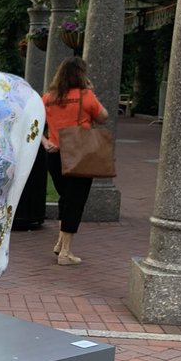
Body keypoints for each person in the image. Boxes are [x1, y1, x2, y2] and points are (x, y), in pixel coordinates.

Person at [41, 56, 109, 266]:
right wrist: (92, 91)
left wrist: (44, 142)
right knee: (75, 201)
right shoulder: (86, 96)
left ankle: (60, 244)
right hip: (79, 154)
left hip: (54, 154)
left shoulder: (48, 98)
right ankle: (66, 253)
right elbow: (103, 117)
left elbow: (33, 124)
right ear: (81, 74)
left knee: (65, 198)